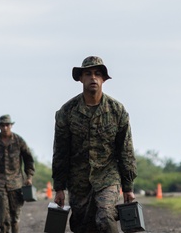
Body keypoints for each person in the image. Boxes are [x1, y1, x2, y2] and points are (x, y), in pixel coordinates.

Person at [52, 56, 137, 233]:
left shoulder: (117, 111)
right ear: (80, 78)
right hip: (78, 180)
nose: (93, 78)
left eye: (98, 74)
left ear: (104, 79)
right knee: (82, 226)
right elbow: (60, 151)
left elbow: (126, 150)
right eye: (88, 74)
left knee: (106, 218)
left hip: (108, 176)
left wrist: (128, 187)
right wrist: (59, 187)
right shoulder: (67, 112)